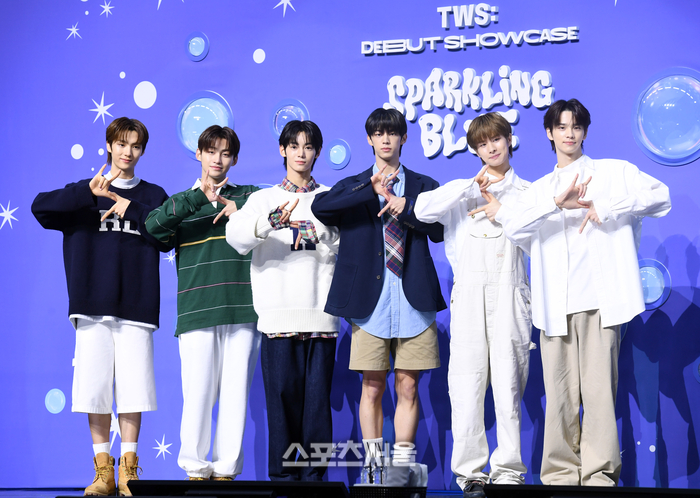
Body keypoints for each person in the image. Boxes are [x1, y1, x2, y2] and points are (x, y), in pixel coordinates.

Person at [487, 99, 671, 486]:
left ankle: (599, 476)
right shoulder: (539, 190)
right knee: (559, 397)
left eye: (576, 126)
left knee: (600, 394)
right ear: (549, 133)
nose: (569, 134)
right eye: (561, 127)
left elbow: (661, 196)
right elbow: (514, 229)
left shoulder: (614, 173)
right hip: (555, 306)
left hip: (601, 303)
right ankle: (559, 477)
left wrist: (607, 206)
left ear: (585, 131)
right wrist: (556, 205)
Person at [32, 117, 169, 496]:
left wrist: (131, 209)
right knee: (94, 390)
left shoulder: (153, 195)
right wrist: (87, 194)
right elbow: (40, 208)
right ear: (109, 145)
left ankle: (129, 471)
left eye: (135, 146)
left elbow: (167, 236)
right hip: (91, 304)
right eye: (121, 144)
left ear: (143, 150)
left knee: (134, 389)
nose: (128, 152)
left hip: (137, 305)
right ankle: (103, 472)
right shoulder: (86, 191)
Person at [311, 108, 446, 480]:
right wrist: (367, 190)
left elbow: (440, 231)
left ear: (404, 138)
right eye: (379, 133)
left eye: (393, 133)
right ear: (369, 139)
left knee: (408, 385)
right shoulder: (354, 184)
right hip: (369, 302)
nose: (386, 139)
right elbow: (321, 208)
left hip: (414, 298)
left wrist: (409, 209)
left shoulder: (424, 185)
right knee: (371, 386)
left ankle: (401, 469)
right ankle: (372, 468)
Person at [414, 112, 531, 498]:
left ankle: (509, 471)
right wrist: (470, 186)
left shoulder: (528, 192)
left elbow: (539, 241)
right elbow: (421, 211)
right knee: (466, 384)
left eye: (496, 139)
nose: (491, 148)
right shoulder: (461, 191)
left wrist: (505, 211)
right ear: (475, 150)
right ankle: (471, 475)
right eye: (482, 143)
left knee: (509, 383)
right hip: (467, 294)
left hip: (511, 290)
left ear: (509, 139)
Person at [225, 120, 339, 481]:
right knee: (281, 404)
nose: (301, 153)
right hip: (277, 319)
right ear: (282, 150)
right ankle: (285, 482)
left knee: (318, 407)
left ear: (318, 152)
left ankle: (315, 481)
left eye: (308, 146)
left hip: (321, 317)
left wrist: (324, 232)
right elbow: (235, 237)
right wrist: (269, 222)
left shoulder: (331, 198)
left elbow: (352, 246)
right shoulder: (263, 199)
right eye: (294, 146)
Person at [144, 125, 260, 481]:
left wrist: (238, 208)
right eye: (211, 151)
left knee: (235, 394)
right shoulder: (183, 201)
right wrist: (198, 199)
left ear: (234, 159)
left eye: (225, 153)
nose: (217, 159)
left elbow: (274, 210)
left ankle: (226, 471)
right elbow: (153, 228)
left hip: (243, 308)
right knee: (197, 393)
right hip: (196, 309)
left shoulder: (249, 196)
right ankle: (194, 468)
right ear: (199, 154)